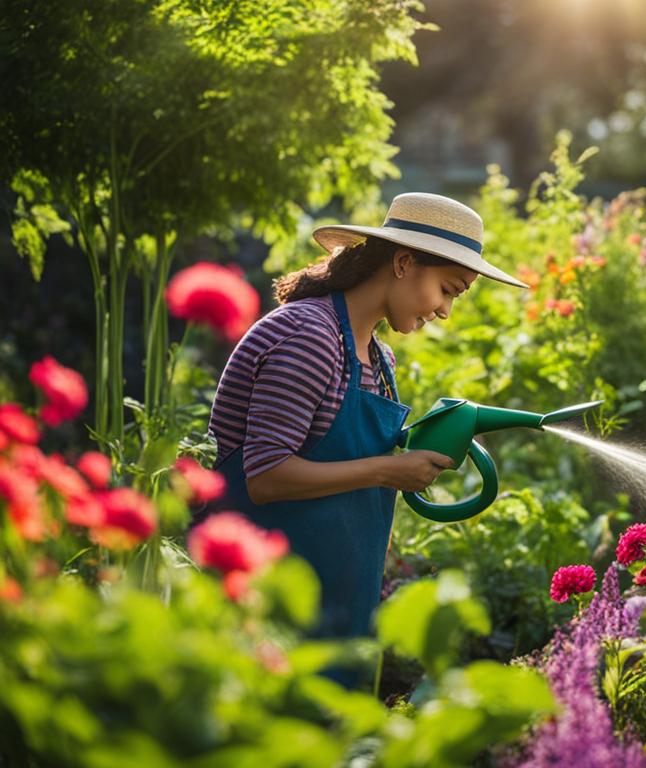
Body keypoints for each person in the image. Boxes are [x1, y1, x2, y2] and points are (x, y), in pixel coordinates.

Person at [197, 193, 527, 688]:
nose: (446, 311)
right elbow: (266, 477)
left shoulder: (379, 359)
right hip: (267, 608)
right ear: (402, 262)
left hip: (339, 611)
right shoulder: (308, 337)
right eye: (447, 289)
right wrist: (388, 470)